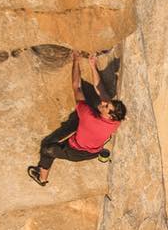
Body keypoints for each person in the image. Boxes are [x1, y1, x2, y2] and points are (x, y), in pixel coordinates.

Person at [27, 50, 126, 186]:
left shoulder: (88, 115)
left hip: (75, 151)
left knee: (47, 149)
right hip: (95, 151)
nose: (103, 102)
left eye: (106, 106)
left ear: (109, 115)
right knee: (82, 120)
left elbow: (76, 87)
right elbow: (100, 88)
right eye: (107, 103)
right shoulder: (116, 121)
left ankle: (42, 179)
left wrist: (76, 60)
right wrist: (92, 65)